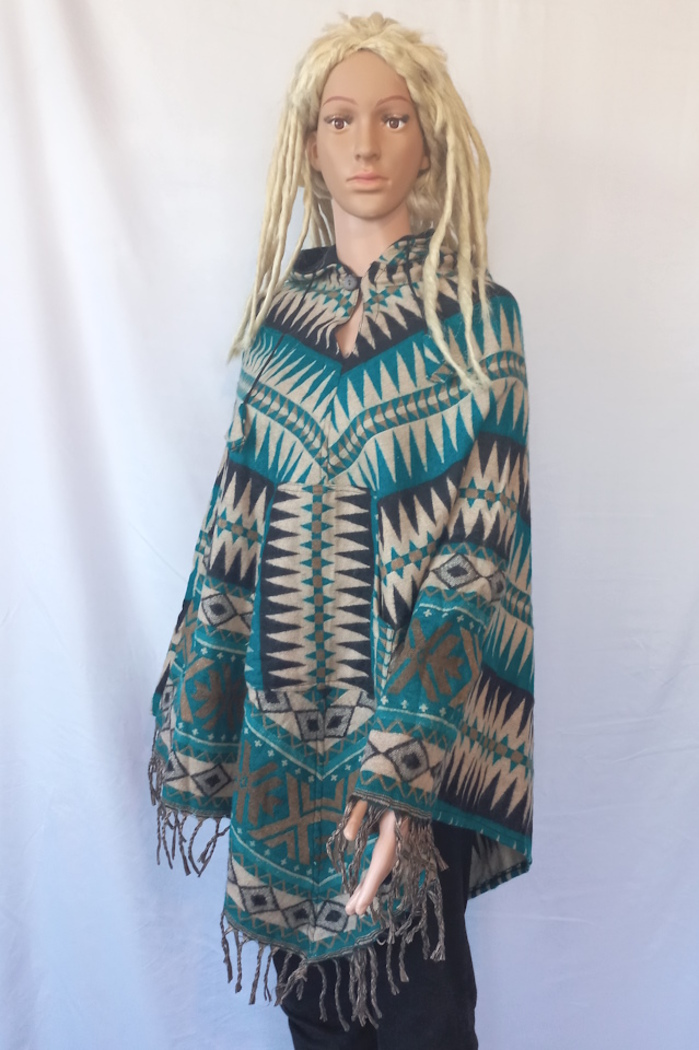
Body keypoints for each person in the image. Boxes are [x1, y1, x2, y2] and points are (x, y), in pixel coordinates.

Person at [148, 12, 534, 1048]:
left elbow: (478, 550)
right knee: (313, 1015)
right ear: (309, 145)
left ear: (430, 142)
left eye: (394, 118)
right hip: (286, 735)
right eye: (340, 120)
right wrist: (196, 706)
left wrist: (401, 760)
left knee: (421, 1013)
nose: (365, 143)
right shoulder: (284, 325)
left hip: (415, 741)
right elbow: (235, 520)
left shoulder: (477, 321)